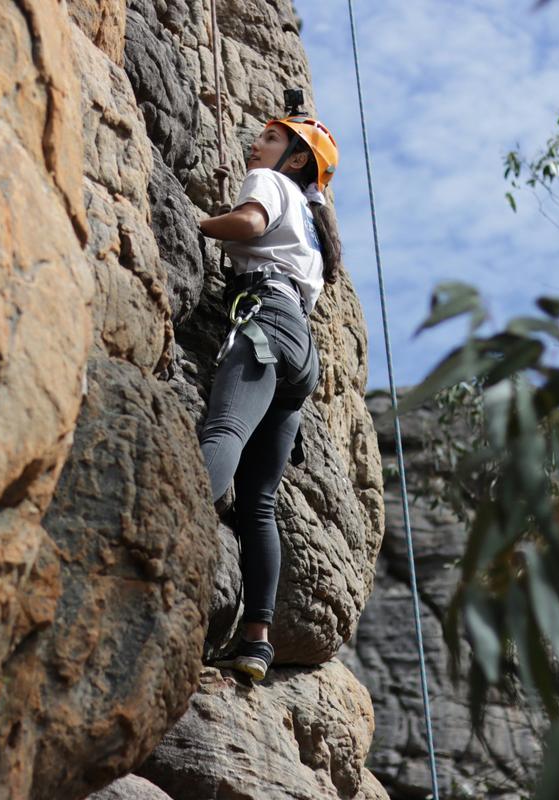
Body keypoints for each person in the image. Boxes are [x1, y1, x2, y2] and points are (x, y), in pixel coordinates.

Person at [198, 113, 341, 681]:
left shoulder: (273, 184)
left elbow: (251, 225)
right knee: (259, 500)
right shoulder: (314, 220)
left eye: (270, 138)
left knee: (223, 432)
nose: (254, 143)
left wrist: (201, 222)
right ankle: (257, 639)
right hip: (300, 347)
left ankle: (178, 520)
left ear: (297, 159)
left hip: (267, 319)